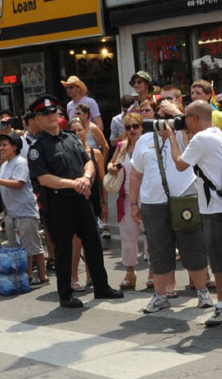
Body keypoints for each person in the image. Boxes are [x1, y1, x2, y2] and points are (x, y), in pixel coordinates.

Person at [27, 95, 124, 308]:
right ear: (37, 120)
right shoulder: (37, 148)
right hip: (59, 203)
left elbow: (88, 162)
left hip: (81, 199)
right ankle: (66, 294)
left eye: (54, 112)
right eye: (45, 113)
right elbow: (44, 179)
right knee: (64, 250)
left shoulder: (71, 138)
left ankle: (102, 287)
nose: (51, 116)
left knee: (93, 243)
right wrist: (73, 183)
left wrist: (86, 178)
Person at [169, 100, 222, 329]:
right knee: (218, 263)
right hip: (219, 207)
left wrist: (170, 137)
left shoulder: (201, 138)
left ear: (195, 118)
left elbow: (180, 164)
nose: (184, 122)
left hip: (218, 209)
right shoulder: (216, 132)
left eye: (187, 117)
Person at [130, 100, 213, 314]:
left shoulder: (184, 134)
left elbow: (197, 141)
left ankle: (202, 291)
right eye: (159, 116)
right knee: (159, 249)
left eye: (167, 116)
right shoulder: (143, 140)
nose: (162, 121)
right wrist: (133, 203)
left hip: (184, 197)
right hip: (153, 202)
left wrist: (178, 120)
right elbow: (136, 173)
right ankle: (160, 296)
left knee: (192, 245)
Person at [0, 132, 47, 285]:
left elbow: (18, 184)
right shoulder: (4, 164)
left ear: (15, 147)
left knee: (32, 246)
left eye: (5, 145)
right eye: (0, 145)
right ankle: (26, 275)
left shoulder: (21, 162)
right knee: (18, 246)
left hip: (25, 210)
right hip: (11, 212)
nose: (1, 148)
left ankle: (41, 276)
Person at [69, 117, 108, 290]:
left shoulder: (96, 153)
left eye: (80, 129)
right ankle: (73, 277)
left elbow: (102, 179)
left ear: (86, 131)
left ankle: (91, 276)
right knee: (76, 241)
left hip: (93, 200)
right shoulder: (68, 152)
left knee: (92, 240)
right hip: (75, 201)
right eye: (74, 130)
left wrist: (105, 202)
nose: (77, 133)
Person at [106, 113, 145, 291]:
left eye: (135, 126)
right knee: (128, 238)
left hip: (148, 197)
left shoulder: (149, 145)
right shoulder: (122, 147)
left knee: (152, 237)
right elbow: (110, 164)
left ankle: (154, 273)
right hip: (127, 198)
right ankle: (130, 273)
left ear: (142, 127)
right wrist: (112, 168)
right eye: (128, 127)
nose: (132, 130)